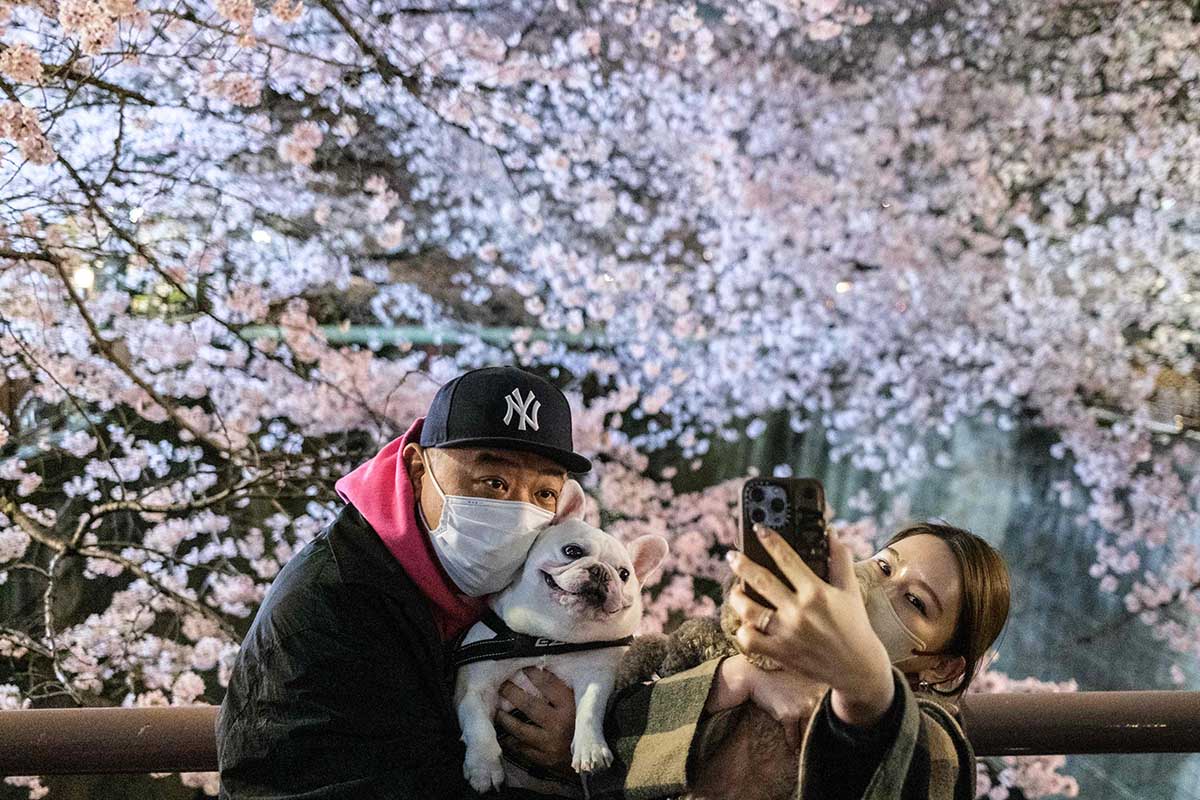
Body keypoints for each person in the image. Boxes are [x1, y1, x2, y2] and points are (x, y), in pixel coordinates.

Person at [216, 366, 596, 799]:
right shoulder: (333, 604)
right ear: (418, 471)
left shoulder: (498, 593)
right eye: (494, 482)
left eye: (544, 494)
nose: (518, 510)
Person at [578, 521, 1012, 800]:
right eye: (883, 567)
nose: (880, 588)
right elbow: (610, 763)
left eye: (915, 601)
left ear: (941, 666)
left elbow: (923, 769)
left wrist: (865, 686)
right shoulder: (744, 654)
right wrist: (739, 677)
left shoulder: (932, 738)